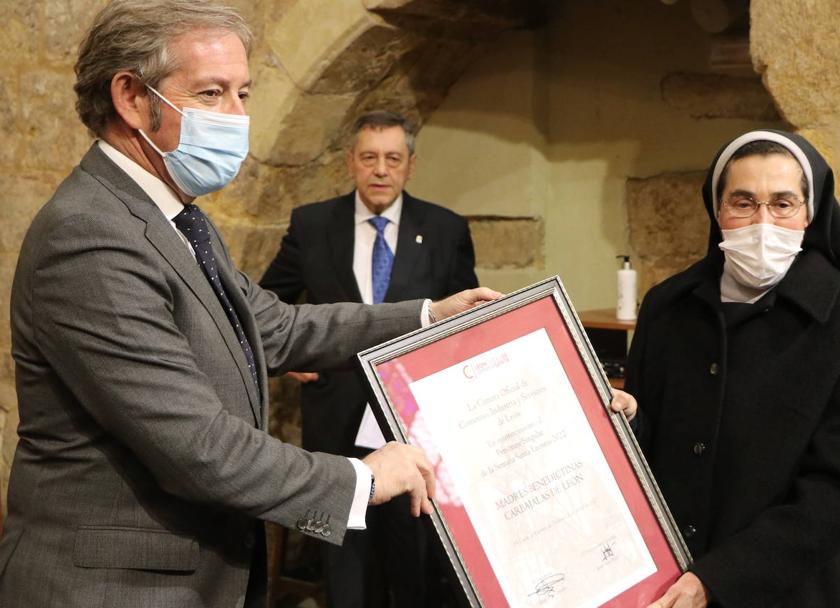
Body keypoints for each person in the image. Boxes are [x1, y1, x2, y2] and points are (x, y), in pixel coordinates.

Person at [0, 2, 497, 606]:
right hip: (118, 586)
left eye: (244, 93)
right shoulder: (91, 235)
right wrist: (362, 478)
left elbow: (278, 327)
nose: (238, 118)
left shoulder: (175, 216)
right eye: (212, 93)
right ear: (131, 98)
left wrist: (428, 318)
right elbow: (198, 446)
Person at [626, 130, 840, 608]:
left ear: (810, 212)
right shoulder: (667, 306)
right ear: (717, 211)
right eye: (743, 202)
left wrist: (716, 579)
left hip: (796, 590)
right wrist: (624, 420)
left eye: (783, 203)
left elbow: (835, 489)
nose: (763, 221)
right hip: (670, 582)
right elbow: (649, 443)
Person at [259, 110, 479, 607]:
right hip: (335, 416)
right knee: (345, 556)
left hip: (415, 419)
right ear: (351, 163)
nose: (381, 170)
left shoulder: (444, 229)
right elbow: (266, 304)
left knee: (413, 553)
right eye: (369, 158)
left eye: (392, 159)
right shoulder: (312, 224)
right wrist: (287, 357)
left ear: (410, 165)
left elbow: (465, 325)